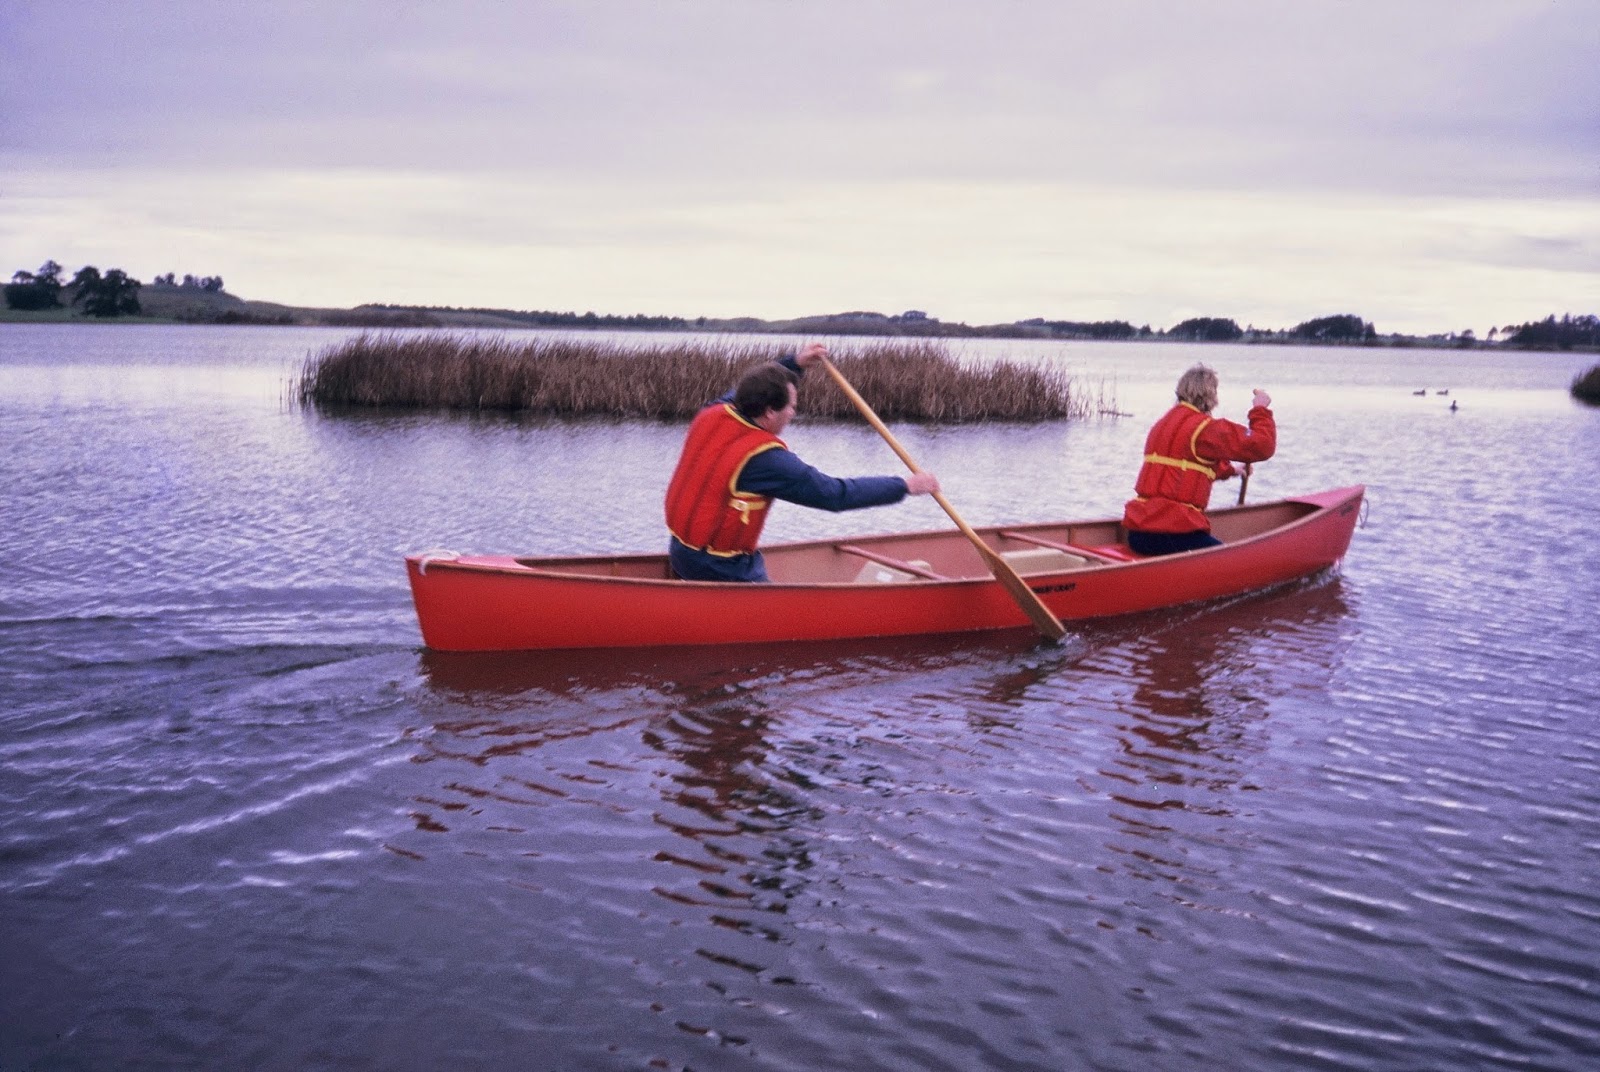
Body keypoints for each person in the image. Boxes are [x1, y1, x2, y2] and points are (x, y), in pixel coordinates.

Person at [665, 342, 940, 582]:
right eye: (792, 407)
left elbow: (756, 384)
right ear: (770, 412)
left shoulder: (714, 411)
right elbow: (834, 494)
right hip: (721, 569)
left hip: (680, 553)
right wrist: (905, 486)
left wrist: (795, 363)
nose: (793, 414)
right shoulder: (765, 460)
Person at [1122, 363, 1275, 556]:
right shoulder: (1206, 428)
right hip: (1172, 534)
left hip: (1138, 534)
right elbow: (1263, 445)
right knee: (1228, 558)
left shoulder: (1162, 425)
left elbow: (1186, 464)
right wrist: (1260, 409)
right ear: (1211, 396)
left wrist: (1233, 470)